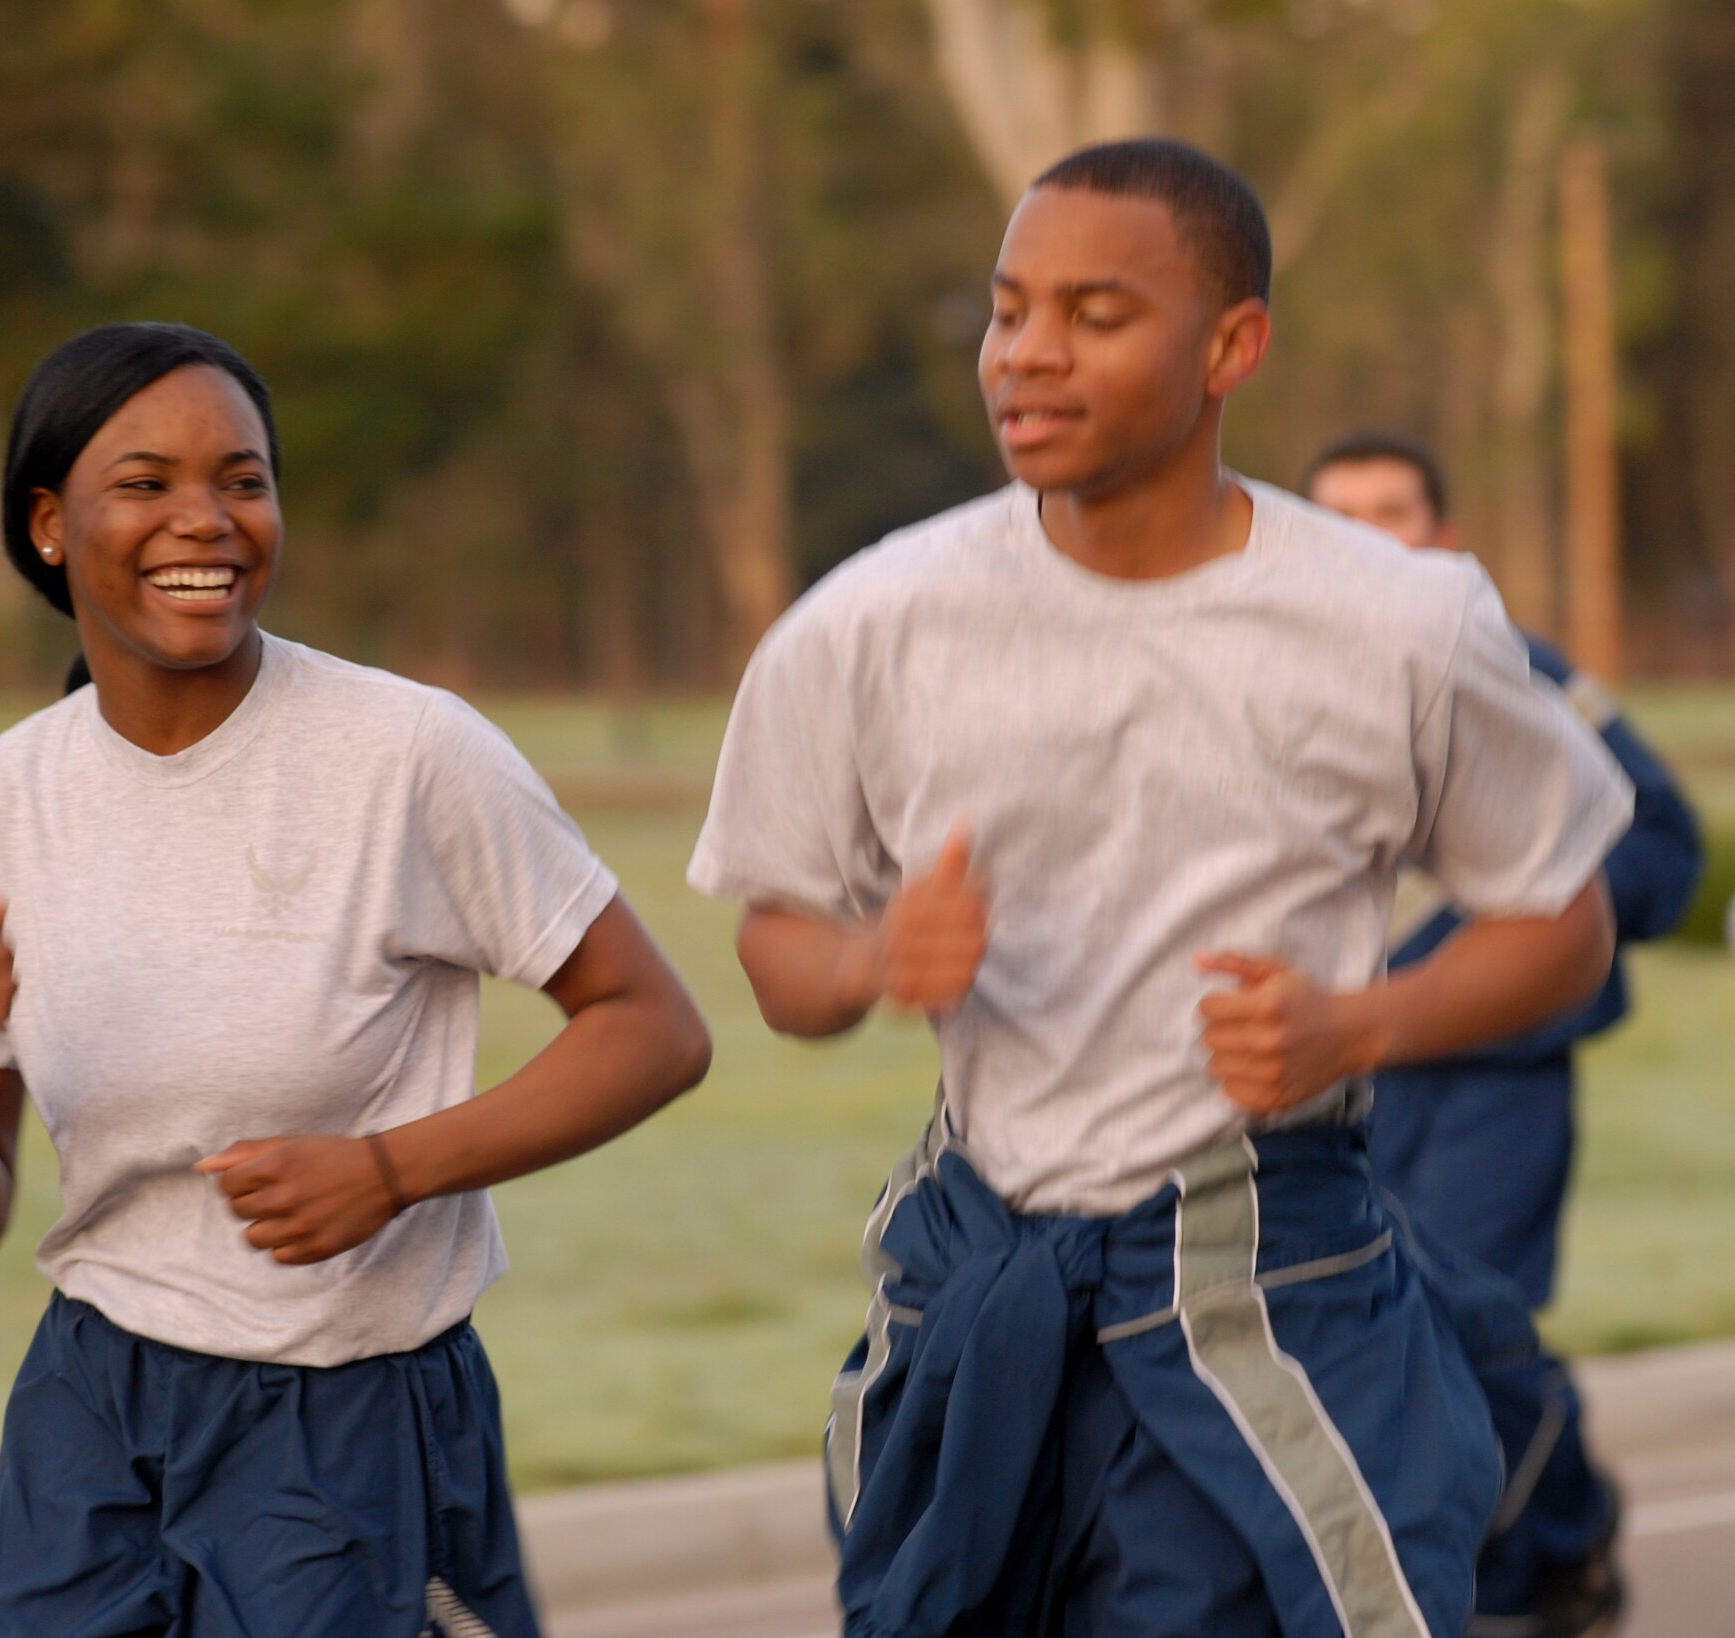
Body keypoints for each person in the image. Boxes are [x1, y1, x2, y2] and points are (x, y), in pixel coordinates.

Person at [687, 139, 1634, 1638]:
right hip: (982, 1291)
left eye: (1095, 314)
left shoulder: (1401, 622)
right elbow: (777, 950)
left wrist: (1359, 1024)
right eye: (1007, 311)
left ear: (1231, 347)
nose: (1029, 355)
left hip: (1277, 1274)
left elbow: (1562, 925)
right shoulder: (866, 622)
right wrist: (875, 960)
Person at [0, 321, 712, 1638]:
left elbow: (655, 1027)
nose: (205, 519)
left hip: (350, 1421)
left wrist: (392, 1169)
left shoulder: (408, 754)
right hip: (90, 1408)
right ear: (49, 524)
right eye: (147, 482)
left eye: (244, 478)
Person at [1307, 430, 1703, 1637]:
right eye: (1341, 519)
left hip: (1494, 1077)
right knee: (1363, 1337)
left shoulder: (1514, 675)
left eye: (1396, 513)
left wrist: (1516, 927)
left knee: (1464, 1322)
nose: (1371, 539)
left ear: (1442, 537)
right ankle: (1526, 1543)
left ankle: (1527, 1561)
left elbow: (1662, 851)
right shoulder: (1262, 689)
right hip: (1332, 1092)